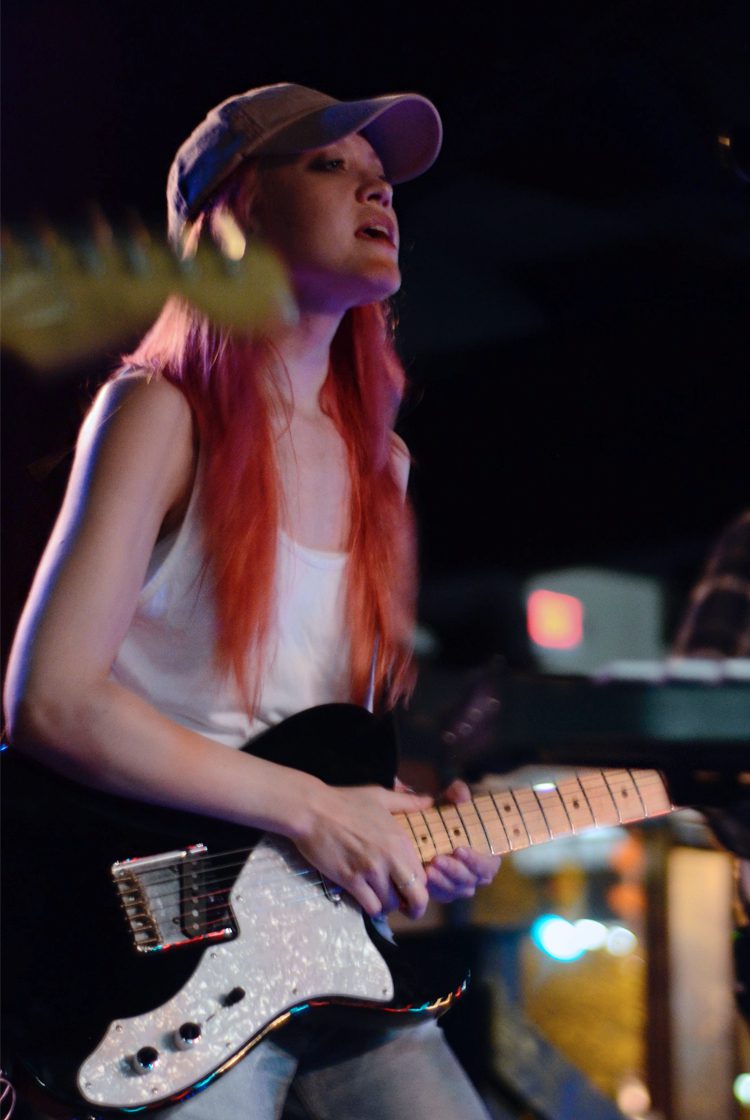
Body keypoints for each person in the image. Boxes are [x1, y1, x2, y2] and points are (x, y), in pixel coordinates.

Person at [3, 83, 500, 1119]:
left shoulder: (386, 467)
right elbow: (51, 700)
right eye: (331, 165)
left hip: (324, 947)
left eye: (382, 178)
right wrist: (315, 810)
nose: (377, 191)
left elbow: (316, 739)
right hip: (154, 950)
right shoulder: (156, 411)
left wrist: (408, 831)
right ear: (235, 218)